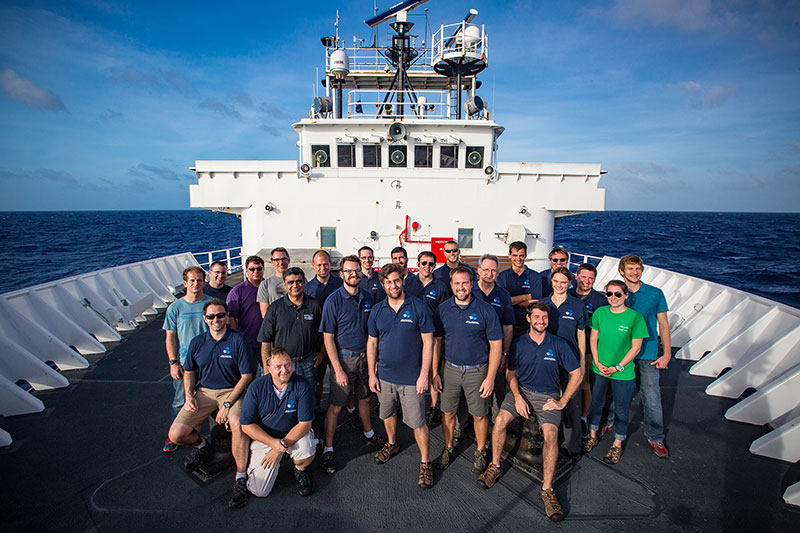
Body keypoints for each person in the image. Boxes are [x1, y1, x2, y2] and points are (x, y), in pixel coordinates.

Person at [476, 301, 582, 522]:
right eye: (536, 317)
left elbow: (577, 374)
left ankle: (547, 489)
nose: (541, 321)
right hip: (522, 391)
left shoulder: (559, 344)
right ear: (528, 319)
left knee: (551, 436)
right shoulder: (518, 344)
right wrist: (517, 397)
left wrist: (562, 401)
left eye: (544, 318)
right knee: (501, 420)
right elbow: (510, 375)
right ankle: (495, 465)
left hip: (548, 396)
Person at [167, 299, 256, 509]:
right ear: (205, 319)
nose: (216, 320)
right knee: (176, 434)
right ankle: (202, 446)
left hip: (232, 390)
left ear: (226, 316)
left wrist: (227, 404)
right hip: (205, 391)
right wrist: (189, 396)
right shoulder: (197, 342)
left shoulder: (238, 340)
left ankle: (241, 476)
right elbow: (189, 371)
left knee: (237, 423)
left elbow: (246, 376)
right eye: (211, 316)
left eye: (220, 315)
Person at [367, 264, 435, 488]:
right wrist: (371, 373)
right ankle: (392, 442)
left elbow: (428, 342)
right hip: (385, 376)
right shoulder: (377, 310)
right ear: (383, 284)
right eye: (388, 282)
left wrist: (424, 374)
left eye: (396, 281)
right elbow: (372, 343)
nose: (393, 285)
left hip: (411, 378)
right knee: (386, 414)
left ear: (403, 280)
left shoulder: (419, 307)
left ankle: (425, 462)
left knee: (418, 423)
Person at [432, 266, 502, 475]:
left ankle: (480, 450)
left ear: (471, 284)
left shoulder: (485, 310)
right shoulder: (443, 309)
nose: (461, 287)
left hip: (477, 371)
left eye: (464, 283)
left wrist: (490, 377)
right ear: (451, 285)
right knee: (448, 412)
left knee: (480, 415)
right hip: (450, 369)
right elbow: (437, 341)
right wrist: (435, 371)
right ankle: (448, 446)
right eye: (456, 283)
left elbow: (496, 344)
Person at [320, 255, 382, 474]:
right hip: (344, 360)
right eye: (349, 271)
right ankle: (328, 447)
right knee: (336, 406)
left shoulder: (367, 297)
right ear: (341, 274)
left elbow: (373, 334)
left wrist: (374, 362)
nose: (354, 274)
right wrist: (337, 369)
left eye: (357, 270)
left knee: (364, 399)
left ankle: (368, 433)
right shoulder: (333, 301)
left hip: (366, 358)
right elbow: (328, 337)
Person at [583, 280, 648, 465]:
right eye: (609, 294)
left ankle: (617, 443)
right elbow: (593, 338)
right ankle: (592, 435)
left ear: (626, 296)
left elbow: (635, 348)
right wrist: (596, 361)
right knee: (596, 403)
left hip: (623, 373)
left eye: (618, 294)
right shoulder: (600, 313)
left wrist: (618, 367)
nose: (613, 298)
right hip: (600, 369)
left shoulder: (635, 318)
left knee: (621, 409)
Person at [240, 347, 317, 499]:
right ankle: (258, 463)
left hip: (293, 436)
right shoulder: (256, 387)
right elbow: (246, 425)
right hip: (266, 438)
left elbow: (305, 424)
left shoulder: (302, 385)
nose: (284, 370)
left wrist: (278, 449)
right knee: (259, 491)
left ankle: (299, 469)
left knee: (307, 450)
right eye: (278, 367)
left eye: (287, 364)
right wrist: (272, 443)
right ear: (268, 368)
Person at [618, 254, 672, 458]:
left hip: (648, 352)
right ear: (621, 271)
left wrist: (666, 353)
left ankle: (656, 436)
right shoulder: (617, 293)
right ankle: (612, 423)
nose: (634, 272)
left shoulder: (655, 294)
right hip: (621, 352)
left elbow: (664, 326)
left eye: (637, 268)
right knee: (617, 393)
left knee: (651, 396)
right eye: (630, 269)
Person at [162, 266, 211, 452]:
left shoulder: (211, 304)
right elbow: (171, 336)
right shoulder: (176, 308)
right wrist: (173, 362)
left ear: (204, 282)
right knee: (180, 400)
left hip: (209, 362)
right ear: (185, 283)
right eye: (192, 280)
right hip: (185, 363)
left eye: (199, 280)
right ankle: (173, 435)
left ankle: (211, 434)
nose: (196, 284)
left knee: (211, 398)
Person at [542, 266, 587, 459]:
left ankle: (572, 446)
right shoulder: (544, 304)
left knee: (571, 402)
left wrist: (583, 360)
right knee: (547, 399)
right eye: (556, 281)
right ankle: (550, 439)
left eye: (563, 282)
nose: (559, 285)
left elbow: (582, 333)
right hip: (547, 359)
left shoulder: (577, 306)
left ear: (570, 284)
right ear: (551, 281)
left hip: (570, 360)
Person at [257, 267, 323, 388]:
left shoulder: (315, 306)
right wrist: (268, 368)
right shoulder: (274, 308)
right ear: (284, 284)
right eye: (290, 282)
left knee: (308, 398)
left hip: (307, 363)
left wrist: (321, 355)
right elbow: (265, 341)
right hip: (282, 365)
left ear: (304, 283)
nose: (295, 285)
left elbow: (325, 334)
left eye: (299, 281)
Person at [471, 254, 515, 419]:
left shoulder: (503, 295)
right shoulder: (469, 291)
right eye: (486, 270)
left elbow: (508, 326)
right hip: (474, 353)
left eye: (494, 271)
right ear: (478, 271)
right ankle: (467, 424)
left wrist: (505, 353)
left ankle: (497, 424)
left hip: (496, 352)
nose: (489, 274)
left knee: (498, 389)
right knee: (472, 391)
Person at [569, 263, 608, 426]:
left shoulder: (600, 300)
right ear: (576, 276)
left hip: (589, 349)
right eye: (583, 277)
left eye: (590, 278)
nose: (586, 281)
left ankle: (583, 417)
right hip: (569, 346)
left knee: (585, 384)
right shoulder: (568, 294)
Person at [417, 251, 450, 426]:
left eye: (431, 264)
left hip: (434, 335)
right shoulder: (409, 284)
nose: (427, 267)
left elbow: (444, 311)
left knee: (433, 371)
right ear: (418, 264)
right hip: (413, 335)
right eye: (424, 263)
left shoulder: (441, 287)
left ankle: (434, 406)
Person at [496, 241, 543, 338]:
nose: (518, 259)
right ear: (509, 255)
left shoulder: (535, 276)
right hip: (506, 324)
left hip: (528, 326)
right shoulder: (502, 276)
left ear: (526, 255)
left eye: (521, 255)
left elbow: (535, 304)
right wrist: (526, 297)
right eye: (515, 255)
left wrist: (511, 300)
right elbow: (502, 302)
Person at [227, 255, 265, 365]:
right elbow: (231, 317)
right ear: (246, 271)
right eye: (252, 269)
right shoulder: (237, 291)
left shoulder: (269, 287)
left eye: (259, 268)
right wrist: (236, 341)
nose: (256, 272)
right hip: (248, 344)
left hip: (268, 343)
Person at [257, 247, 290, 317]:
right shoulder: (265, 284)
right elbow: (265, 314)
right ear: (272, 262)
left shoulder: (299, 281)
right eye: (277, 260)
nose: (281, 262)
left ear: (288, 260)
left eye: (283, 259)